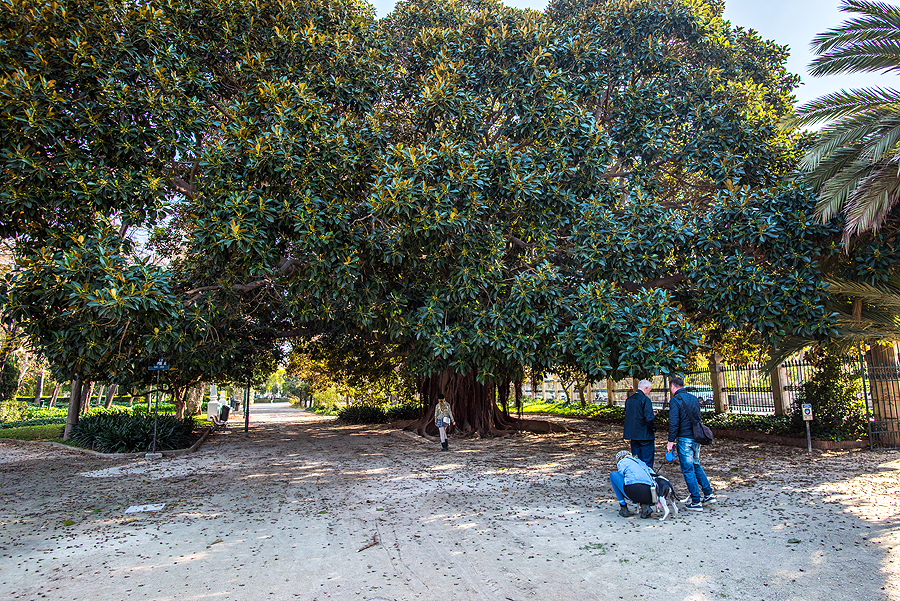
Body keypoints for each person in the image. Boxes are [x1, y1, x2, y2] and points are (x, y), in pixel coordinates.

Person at [666, 376, 716, 512]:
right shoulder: (694, 398)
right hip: (696, 436)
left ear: (673, 387)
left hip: (684, 438)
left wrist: (670, 441)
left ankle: (695, 500)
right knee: (696, 464)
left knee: (688, 469)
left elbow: (674, 422)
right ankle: (708, 493)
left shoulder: (675, 400)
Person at [609, 450, 656, 518]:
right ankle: (645, 506)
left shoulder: (622, 462)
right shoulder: (641, 462)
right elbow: (653, 474)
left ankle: (623, 507)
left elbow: (622, 477)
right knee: (642, 486)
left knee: (613, 475)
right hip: (649, 493)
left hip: (633, 490)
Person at [623, 379, 656, 468]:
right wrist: (653, 428)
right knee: (647, 462)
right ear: (646, 388)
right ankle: (647, 476)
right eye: (649, 390)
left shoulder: (629, 400)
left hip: (633, 435)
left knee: (637, 461)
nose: (649, 393)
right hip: (645, 435)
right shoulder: (645, 400)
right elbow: (649, 418)